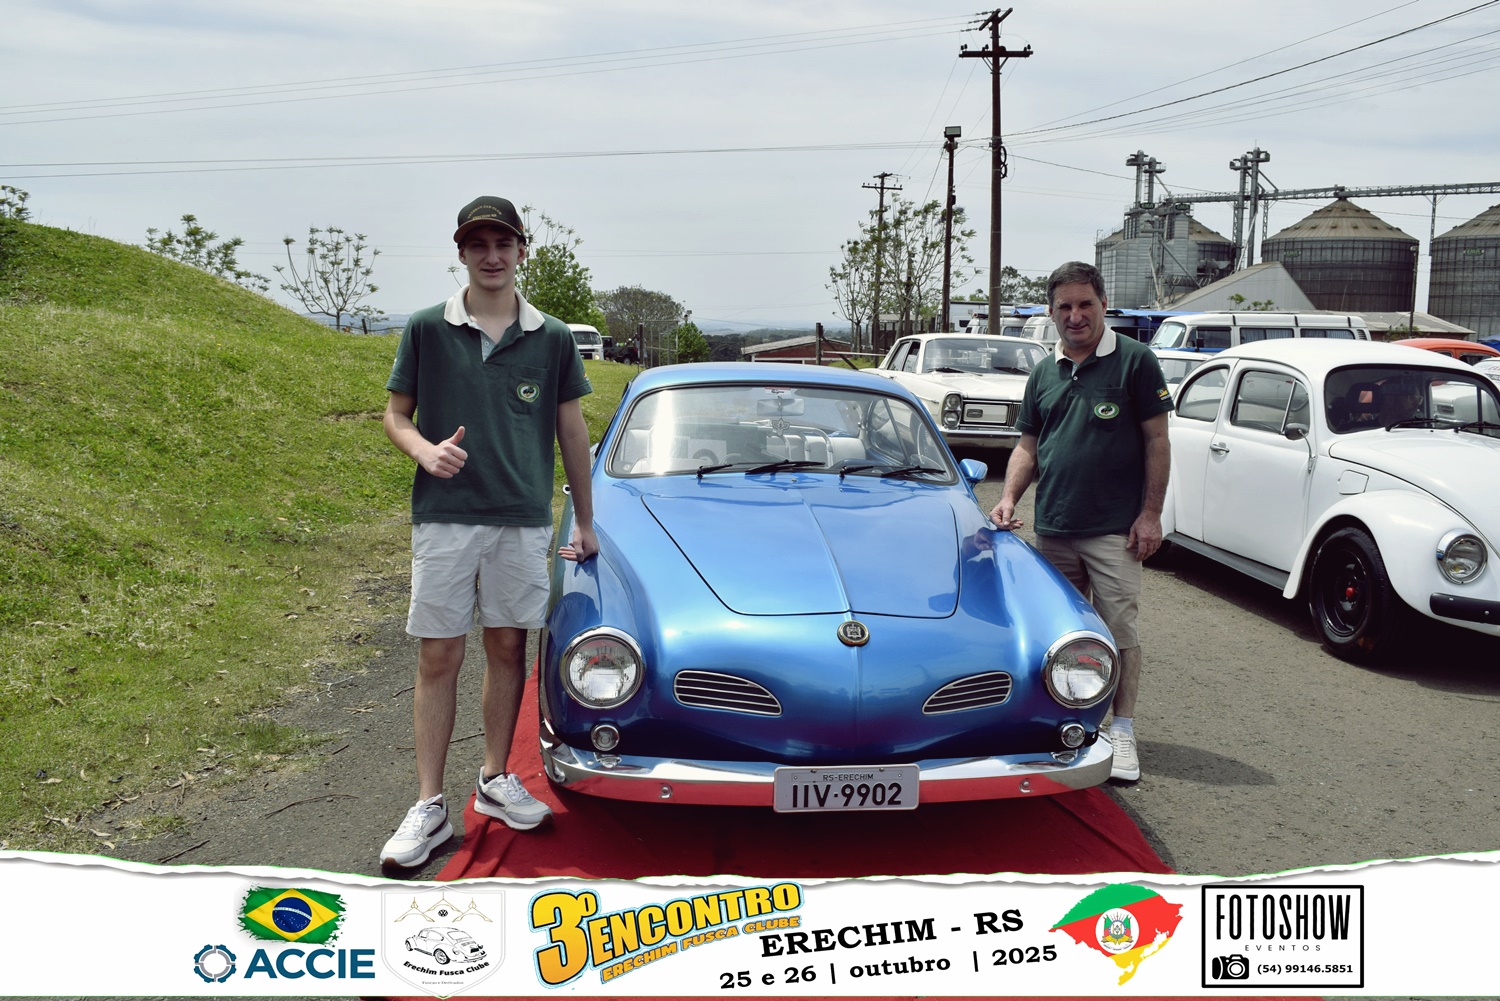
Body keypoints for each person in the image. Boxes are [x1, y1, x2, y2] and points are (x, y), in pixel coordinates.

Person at [379, 195, 598, 869]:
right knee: (438, 655)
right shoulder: (426, 328)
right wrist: (423, 451)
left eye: (503, 243)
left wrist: (585, 520)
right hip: (445, 518)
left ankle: (496, 778)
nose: (492, 255)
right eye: (478, 244)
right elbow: (396, 415)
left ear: (521, 250)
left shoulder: (552, 337)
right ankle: (428, 804)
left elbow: (571, 430)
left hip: (521, 519)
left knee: (508, 648)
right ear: (462, 253)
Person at [989, 261, 1172, 783]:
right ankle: (1061, 727)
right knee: (1056, 636)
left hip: (1116, 529)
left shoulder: (1135, 361)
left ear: (1103, 305)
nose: (1075, 315)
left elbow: (1158, 441)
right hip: (1055, 527)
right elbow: (1028, 445)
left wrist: (1151, 514)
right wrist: (1008, 498)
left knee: (1118, 632)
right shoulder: (1043, 372)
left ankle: (1123, 731)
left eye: (1085, 304)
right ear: (1050, 312)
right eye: (1064, 306)